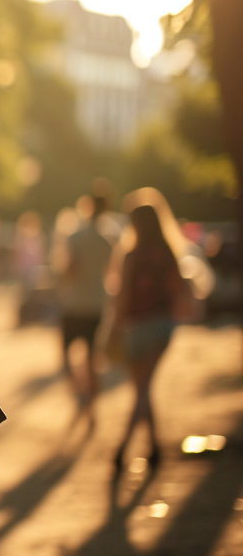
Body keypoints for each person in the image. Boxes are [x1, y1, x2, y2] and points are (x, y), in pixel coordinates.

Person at [106, 187, 194, 474]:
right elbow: (181, 289)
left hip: (136, 327)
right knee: (144, 389)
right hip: (162, 326)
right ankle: (154, 448)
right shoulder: (168, 253)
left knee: (141, 388)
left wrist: (113, 330)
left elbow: (122, 299)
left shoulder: (131, 256)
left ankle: (122, 448)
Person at [54, 190, 114, 417]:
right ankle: (92, 404)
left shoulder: (75, 237)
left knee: (66, 357)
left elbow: (69, 271)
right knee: (92, 358)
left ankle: (80, 395)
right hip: (97, 303)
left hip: (75, 304)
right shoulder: (107, 241)